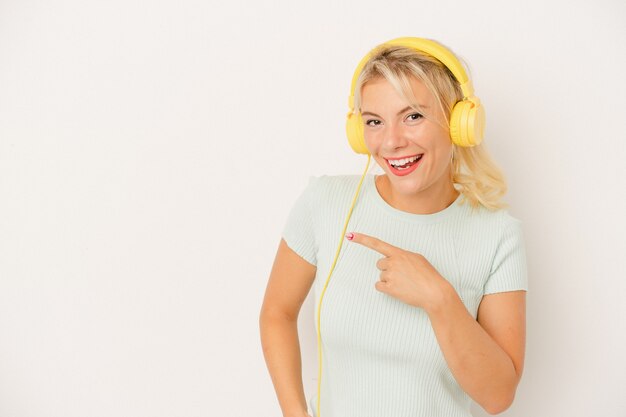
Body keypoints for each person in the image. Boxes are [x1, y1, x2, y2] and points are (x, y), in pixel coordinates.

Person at [259, 37, 528, 417]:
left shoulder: (498, 235)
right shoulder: (325, 202)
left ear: (458, 122)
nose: (391, 141)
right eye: (374, 122)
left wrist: (438, 298)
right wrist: (295, 413)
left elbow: (498, 396)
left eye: (413, 116)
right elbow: (277, 313)